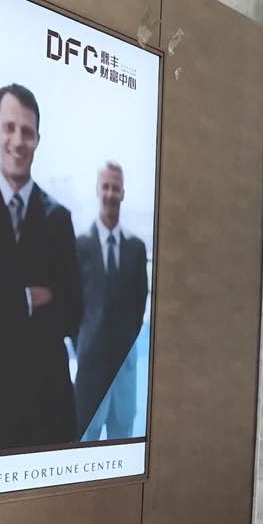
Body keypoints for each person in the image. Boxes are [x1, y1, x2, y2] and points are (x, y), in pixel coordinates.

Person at [0, 83, 81, 452]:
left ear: (38, 140)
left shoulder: (59, 219)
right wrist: (28, 299)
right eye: (9, 127)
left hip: (46, 407)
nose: (18, 141)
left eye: (27, 132)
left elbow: (71, 312)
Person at [75, 162, 148, 440]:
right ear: (97, 190)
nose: (110, 193)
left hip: (124, 379)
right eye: (105, 187)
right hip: (90, 377)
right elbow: (72, 307)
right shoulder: (80, 247)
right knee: (84, 455)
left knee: (123, 450)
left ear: (123, 193)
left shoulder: (137, 249)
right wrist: (87, 346)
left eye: (115, 188)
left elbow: (139, 307)